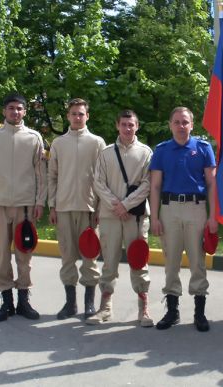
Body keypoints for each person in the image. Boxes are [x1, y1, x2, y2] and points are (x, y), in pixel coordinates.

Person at [0, 93, 47, 322]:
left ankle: (24, 301)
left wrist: (40, 201)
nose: (15, 112)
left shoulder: (34, 138)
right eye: (11, 108)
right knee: (1, 254)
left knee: (24, 255)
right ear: (4, 111)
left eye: (19, 108)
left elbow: (41, 174)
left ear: (25, 112)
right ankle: (6, 301)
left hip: (26, 206)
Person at [149, 106, 218, 332]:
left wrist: (212, 216)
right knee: (171, 262)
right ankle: (172, 310)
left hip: (196, 208)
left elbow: (211, 184)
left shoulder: (203, 148)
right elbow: (156, 186)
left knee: (197, 260)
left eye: (185, 122)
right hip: (169, 209)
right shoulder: (161, 150)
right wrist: (155, 217)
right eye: (177, 122)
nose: (181, 126)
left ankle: (200, 312)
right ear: (170, 125)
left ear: (192, 124)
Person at [89, 110, 154, 327]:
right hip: (110, 216)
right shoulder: (107, 153)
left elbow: (147, 184)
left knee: (139, 261)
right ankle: (105, 307)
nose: (128, 128)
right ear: (117, 126)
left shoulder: (146, 153)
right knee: (109, 262)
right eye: (124, 124)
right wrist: (116, 205)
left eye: (131, 124)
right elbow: (98, 182)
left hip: (135, 217)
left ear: (137, 126)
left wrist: (126, 205)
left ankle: (143, 309)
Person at [48, 98, 105, 321]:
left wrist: (99, 207)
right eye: (73, 113)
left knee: (90, 257)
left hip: (89, 208)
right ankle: (70, 303)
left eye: (81, 114)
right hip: (63, 208)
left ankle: (89, 304)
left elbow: (102, 178)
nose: (77, 117)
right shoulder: (58, 143)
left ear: (87, 116)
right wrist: (52, 205)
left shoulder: (97, 143)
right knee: (67, 257)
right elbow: (51, 176)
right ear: (68, 116)